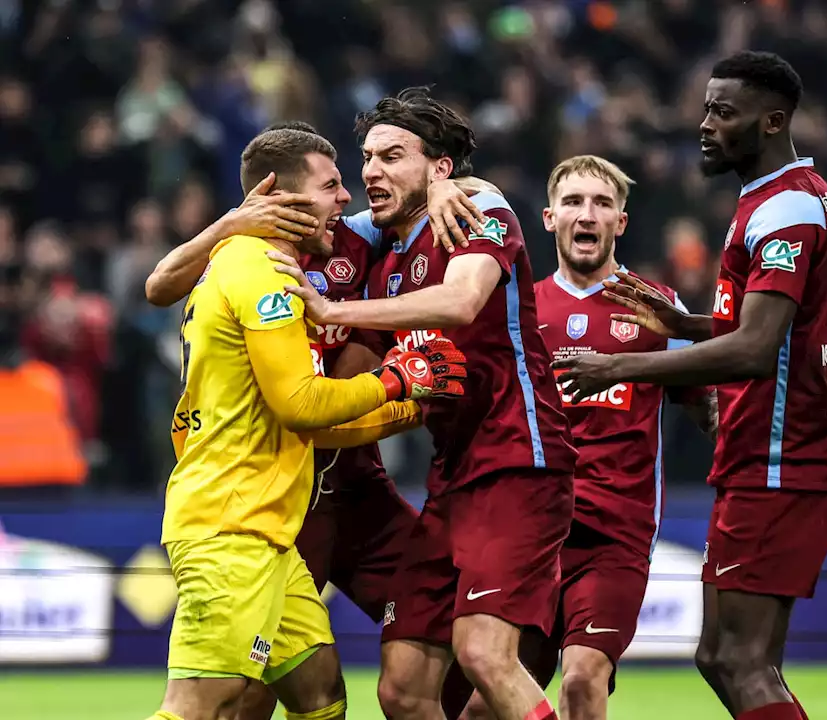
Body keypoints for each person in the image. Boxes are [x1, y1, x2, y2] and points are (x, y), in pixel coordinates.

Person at [550, 52, 827, 720]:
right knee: (728, 657)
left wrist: (614, 366)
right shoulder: (786, 196)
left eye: (724, 112)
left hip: (779, 450)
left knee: (738, 660)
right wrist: (689, 324)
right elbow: (775, 328)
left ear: (772, 121)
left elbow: (757, 349)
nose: (705, 124)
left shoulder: (787, 210)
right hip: (780, 448)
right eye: (707, 108)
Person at [143, 120, 483, 720]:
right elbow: (301, 406)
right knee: (208, 705)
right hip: (234, 518)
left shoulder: (278, 255)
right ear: (278, 197)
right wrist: (399, 385)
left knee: (320, 691)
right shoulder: (259, 271)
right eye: (333, 184)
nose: (349, 195)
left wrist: (445, 189)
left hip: (275, 518)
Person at [272, 87, 577, 720]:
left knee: (485, 655)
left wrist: (332, 310)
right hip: (452, 481)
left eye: (391, 157)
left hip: (518, 459)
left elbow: (462, 301)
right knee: (404, 689)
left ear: (440, 168)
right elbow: (312, 218)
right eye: (366, 158)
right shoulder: (384, 256)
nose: (370, 173)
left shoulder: (480, 205)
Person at [440, 155, 719, 720]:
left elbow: (713, 414)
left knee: (582, 681)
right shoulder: (521, 307)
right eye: (572, 202)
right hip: (534, 529)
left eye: (600, 204)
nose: (585, 214)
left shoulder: (657, 309)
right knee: (480, 708)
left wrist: (798, 479)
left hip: (615, 532)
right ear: (548, 218)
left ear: (621, 221)